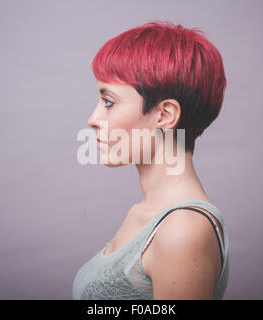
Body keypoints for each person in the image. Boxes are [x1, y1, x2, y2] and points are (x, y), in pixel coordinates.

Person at [72, 20, 229, 300]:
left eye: (108, 102)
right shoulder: (145, 213)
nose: (93, 119)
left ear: (165, 115)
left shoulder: (182, 230)